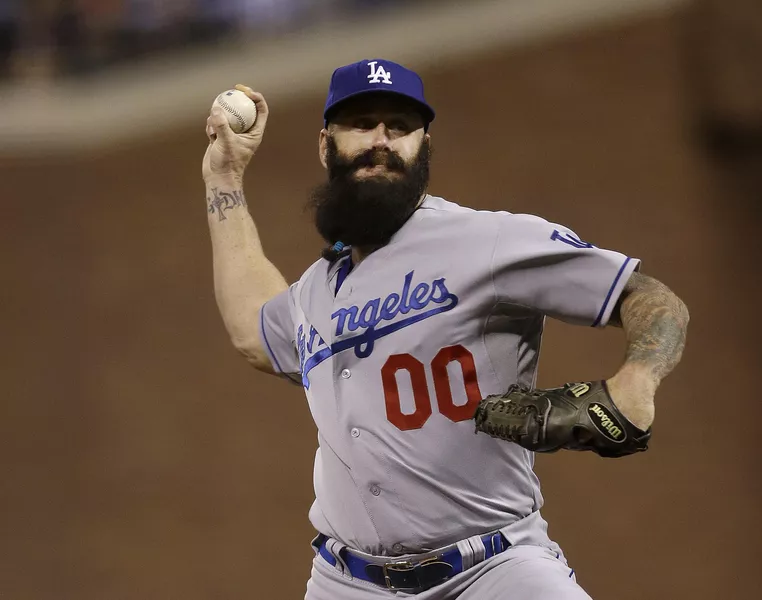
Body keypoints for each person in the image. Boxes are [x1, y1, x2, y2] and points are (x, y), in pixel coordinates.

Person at [201, 59, 689, 599]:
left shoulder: (487, 240)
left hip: (494, 569)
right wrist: (223, 178)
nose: (381, 140)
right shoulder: (318, 288)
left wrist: (638, 378)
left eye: (400, 127)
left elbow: (647, 296)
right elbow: (253, 330)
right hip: (347, 582)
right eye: (362, 123)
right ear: (325, 145)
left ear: (423, 145)